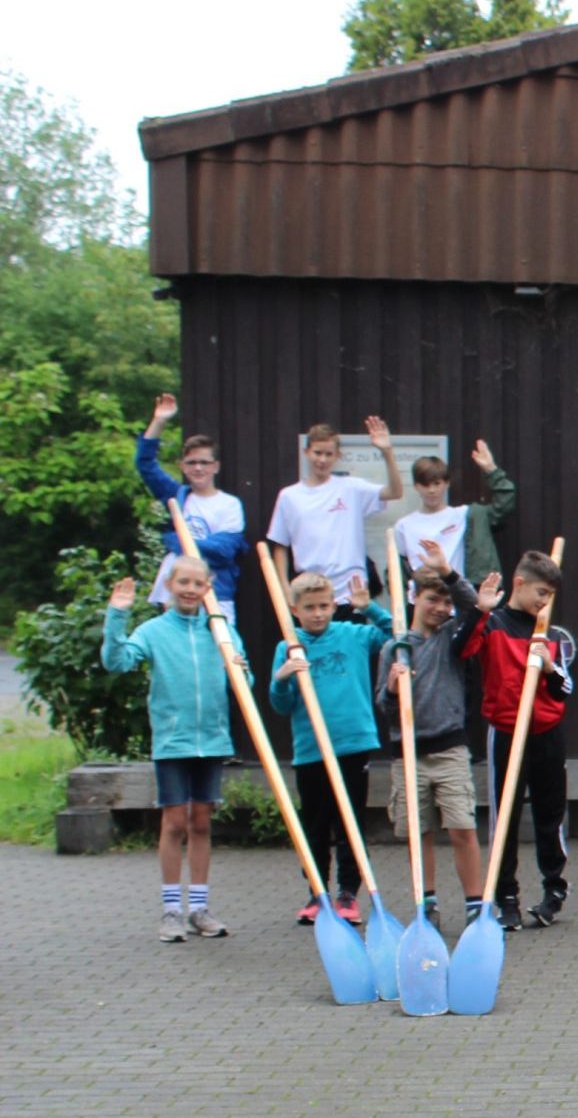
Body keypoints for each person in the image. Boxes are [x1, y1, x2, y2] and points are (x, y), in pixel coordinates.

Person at [103, 561, 239, 942]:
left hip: (211, 740)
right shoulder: (154, 630)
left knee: (201, 822)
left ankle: (199, 908)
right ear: (169, 584)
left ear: (208, 586)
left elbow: (243, 676)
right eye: (183, 582)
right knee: (174, 822)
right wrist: (117, 615)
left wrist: (242, 669)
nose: (190, 589)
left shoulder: (220, 629)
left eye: (198, 583)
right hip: (173, 741)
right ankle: (170, 910)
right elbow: (116, 661)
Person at [373, 544, 493, 928]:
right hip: (408, 754)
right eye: (432, 599)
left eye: (445, 601)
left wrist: (449, 573)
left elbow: (474, 606)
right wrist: (392, 691)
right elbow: (383, 708)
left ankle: (476, 904)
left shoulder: (451, 639)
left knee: (462, 827)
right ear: (414, 599)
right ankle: (427, 903)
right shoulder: (395, 647)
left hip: (450, 748)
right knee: (419, 832)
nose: (440, 607)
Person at [266, 572, 393, 924]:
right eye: (310, 608)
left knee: (350, 822)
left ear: (334, 605)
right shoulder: (288, 647)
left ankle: (348, 894)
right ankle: (316, 893)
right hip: (311, 750)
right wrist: (282, 678)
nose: (318, 614)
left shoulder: (353, 635)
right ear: (295, 610)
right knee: (316, 825)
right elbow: (281, 704)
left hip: (352, 743)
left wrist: (370, 609)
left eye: (324, 606)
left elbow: (396, 638)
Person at [462, 550, 578, 926]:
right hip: (507, 731)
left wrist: (547, 667)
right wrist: (479, 610)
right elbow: (462, 650)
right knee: (505, 817)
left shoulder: (549, 634)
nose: (544, 602)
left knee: (550, 813)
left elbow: (564, 689)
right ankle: (506, 896)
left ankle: (554, 888)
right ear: (519, 583)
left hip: (547, 732)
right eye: (540, 593)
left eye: (550, 596)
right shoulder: (493, 624)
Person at [267, 418, 405, 618]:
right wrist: (285, 589)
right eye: (317, 453)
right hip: (310, 593)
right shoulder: (289, 496)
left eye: (328, 454)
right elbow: (280, 546)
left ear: (337, 456)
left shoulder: (351, 488)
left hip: (351, 593)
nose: (322, 460)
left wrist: (386, 451)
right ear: (306, 452)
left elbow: (395, 492)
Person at [135, 394, 244, 621]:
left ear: (215, 466)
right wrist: (160, 420)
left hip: (217, 591)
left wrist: (177, 542)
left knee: (221, 650)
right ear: (182, 467)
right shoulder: (177, 496)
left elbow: (224, 550)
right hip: (175, 592)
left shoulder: (230, 504)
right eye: (191, 463)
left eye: (204, 462)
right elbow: (145, 464)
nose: (198, 468)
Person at [388, 440, 518, 585]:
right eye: (425, 484)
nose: (431, 490)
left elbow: (504, 505)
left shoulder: (465, 515)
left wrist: (491, 469)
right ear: (416, 486)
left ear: (447, 483)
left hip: (459, 597)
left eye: (437, 484)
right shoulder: (403, 525)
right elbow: (398, 571)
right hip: (420, 600)